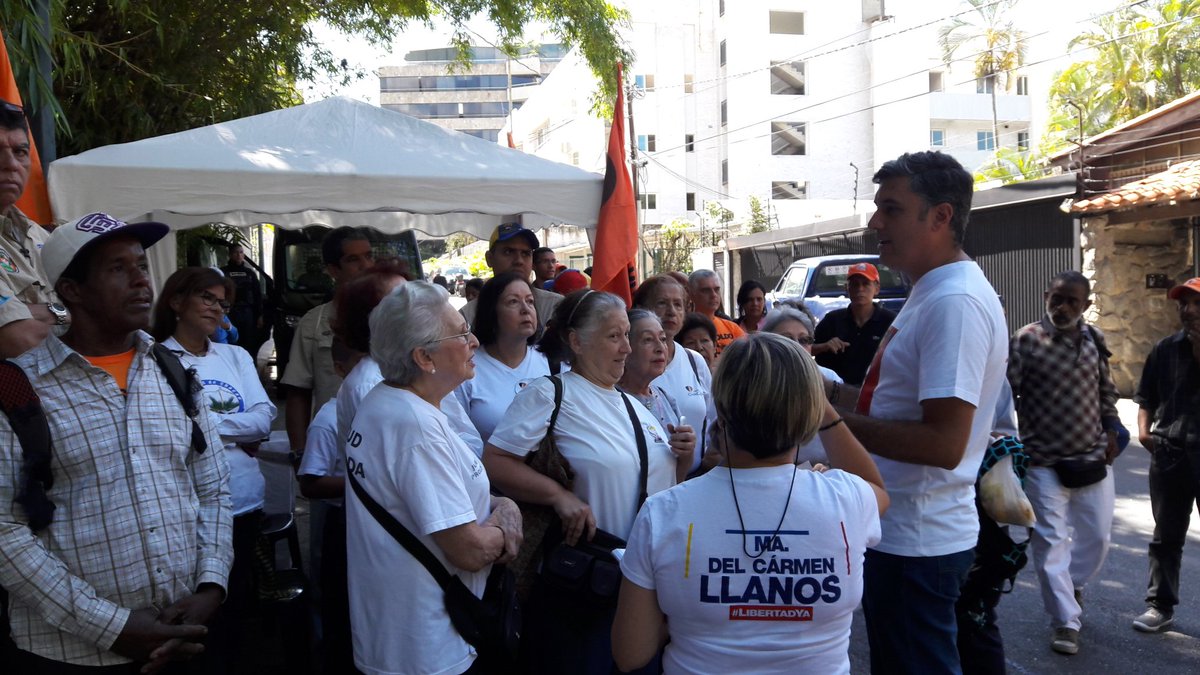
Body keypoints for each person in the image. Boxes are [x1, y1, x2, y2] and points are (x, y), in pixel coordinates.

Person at [0, 212, 232, 672]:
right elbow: (5, 530)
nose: (141, 282)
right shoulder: (19, 390)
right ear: (72, 291)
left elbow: (213, 487)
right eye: (116, 269)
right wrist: (113, 627)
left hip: (183, 633)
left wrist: (209, 586)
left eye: (141, 266)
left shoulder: (173, 373)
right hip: (72, 652)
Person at [824, 152, 1009, 674]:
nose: (875, 222)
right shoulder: (934, 290)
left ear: (941, 216)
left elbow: (943, 444)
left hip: (917, 541)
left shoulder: (955, 302)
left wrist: (826, 419)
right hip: (902, 532)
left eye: (891, 208)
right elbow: (892, 402)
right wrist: (818, 389)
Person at [612, 332, 889, 674]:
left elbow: (631, 654)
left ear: (722, 411)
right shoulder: (847, 499)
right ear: (810, 414)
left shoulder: (663, 513)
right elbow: (877, 487)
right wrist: (823, 408)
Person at [484, 289, 690, 675]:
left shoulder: (632, 404)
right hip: (588, 588)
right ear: (577, 342)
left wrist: (685, 457)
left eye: (627, 335)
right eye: (614, 336)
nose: (627, 348)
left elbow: (664, 490)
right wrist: (559, 495)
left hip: (648, 587)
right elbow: (495, 462)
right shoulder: (551, 393)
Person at [344, 280, 523, 675]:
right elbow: (470, 550)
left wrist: (501, 502)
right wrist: (508, 524)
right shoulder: (414, 427)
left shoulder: (388, 402)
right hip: (428, 648)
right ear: (425, 357)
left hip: (403, 637)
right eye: (461, 332)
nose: (474, 340)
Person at [152, 266, 277, 672]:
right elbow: (171, 431)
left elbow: (263, 418)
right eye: (206, 297)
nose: (216, 308)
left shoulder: (236, 355)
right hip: (190, 509)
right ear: (175, 300)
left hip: (245, 500)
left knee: (241, 605)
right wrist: (232, 434)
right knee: (197, 615)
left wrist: (205, 427)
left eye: (222, 302)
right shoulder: (158, 360)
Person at [1007, 271, 1121, 656]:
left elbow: (1107, 389)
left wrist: (1113, 427)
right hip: (1042, 462)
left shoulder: (1094, 338)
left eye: (1073, 301)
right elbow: (1007, 397)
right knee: (1050, 543)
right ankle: (1065, 622)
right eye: (1057, 298)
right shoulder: (1026, 340)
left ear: (1085, 305)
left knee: (1098, 538)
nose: (1063, 307)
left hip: (1092, 457)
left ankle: (1071, 586)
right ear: (1046, 296)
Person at [1131, 277, 1200, 634]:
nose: (1188, 311)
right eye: (1183, 304)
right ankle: (1160, 606)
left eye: (1196, 304)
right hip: (1170, 454)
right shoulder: (1165, 349)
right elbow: (1145, 395)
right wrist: (1143, 431)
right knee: (1166, 536)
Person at [281, 226, 376, 455]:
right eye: (353, 260)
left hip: (389, 444)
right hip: (333, 447)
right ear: (333, 269)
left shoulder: (398, 315)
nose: (366, 266)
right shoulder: (314, 323)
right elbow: (298, 392)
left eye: (369, 256)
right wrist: (299, 453)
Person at [0, 99, 66, 358]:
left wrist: (37, 311)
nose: (11, 164)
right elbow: (19, 338)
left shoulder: (42, 235)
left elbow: (101, 315)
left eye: (20, 152)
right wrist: (65, 312)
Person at [634, 275, 717, 476]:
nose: (671, 312)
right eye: (662, 303)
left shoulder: (694, 361)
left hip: (695, 476)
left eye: (678, 305)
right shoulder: (630, 362)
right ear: (640, 308)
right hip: (645, 481)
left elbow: (714, 419)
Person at [455, 272, 551, 442]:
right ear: (491, 312)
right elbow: (459, 438)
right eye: (513, 301)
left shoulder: (553, 361)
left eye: (530, 301)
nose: (525, 309)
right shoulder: (465, 368)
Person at [617, 309, 696, 484]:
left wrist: (686, 452)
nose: (660, 348)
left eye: (662, 339)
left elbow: (676, 478)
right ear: (625, 348)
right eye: (648, 340)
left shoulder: (665, 398)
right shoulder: (612, 400)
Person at [762, 307, 844, 466]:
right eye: (787, 339)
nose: (797, 346)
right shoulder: (753, 382)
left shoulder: (829, 379)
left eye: (804, 340)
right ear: (767, 343)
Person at [460, 223, 561, 329]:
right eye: (508, 252)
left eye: (525, 253)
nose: (519, 261)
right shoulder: (466, 318)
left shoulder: (556, 307)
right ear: (489, 259)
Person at [813, 262, 897, 385]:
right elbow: (805, 351)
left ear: (877, 288)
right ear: (847, 288)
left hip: (876, 393)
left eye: (865, 284)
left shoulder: (890, 321)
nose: (860, 289)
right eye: (855, 284)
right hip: (835, 394)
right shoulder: (831, 320)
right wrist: (825, 346)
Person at [688, 269, 744, 358]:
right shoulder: (683, 328)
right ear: (691, 294)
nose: (713, 295)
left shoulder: (732, 328)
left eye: (716, 289)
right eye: (706, 290)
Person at [221, 243, 264, 356]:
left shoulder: (250, 273)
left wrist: (259, 315)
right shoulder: (223, 273)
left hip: (247, 312)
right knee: (231, 341)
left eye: (241, 252)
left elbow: (257, 294)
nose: (239, 255)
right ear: (230, 255)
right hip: (230, 312)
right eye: (236, 252)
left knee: (248, 342)